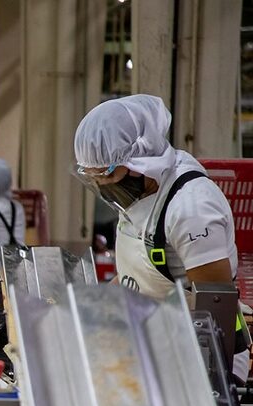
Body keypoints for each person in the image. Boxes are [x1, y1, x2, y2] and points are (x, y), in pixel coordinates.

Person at [73, 94, 248, 380]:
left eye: (107, 175)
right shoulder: (141, 192)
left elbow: (216, 311)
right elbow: (139, 278)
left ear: (139, 161)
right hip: (154, 340)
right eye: (94, 178)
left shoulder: (191, 208)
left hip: (202, 360)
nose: (102, 186)